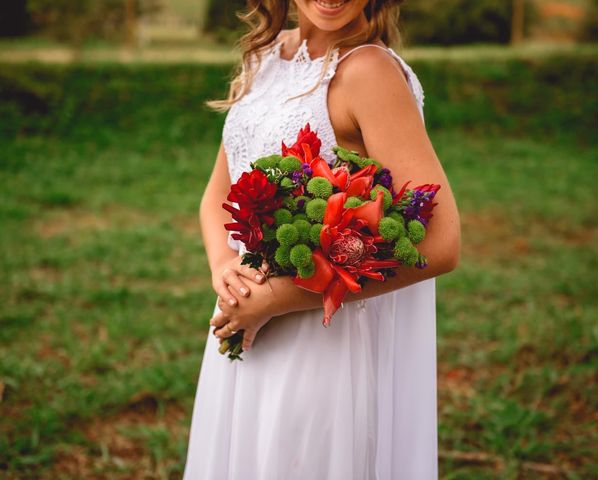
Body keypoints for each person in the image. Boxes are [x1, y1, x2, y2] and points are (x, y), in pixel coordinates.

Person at [183, 0, 460, 478]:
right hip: (244, 312)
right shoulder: (268, 56)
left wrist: (275, 299)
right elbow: (218, 195)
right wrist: (225, 273)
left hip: (323, 337)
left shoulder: (369, 72)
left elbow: (441, 243)